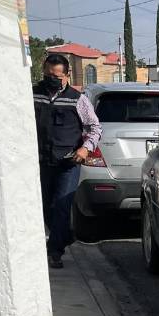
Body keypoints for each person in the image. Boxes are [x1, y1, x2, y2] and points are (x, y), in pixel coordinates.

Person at [34, 53, 101, 269]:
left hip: (68, 162)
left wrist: (85, 148)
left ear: (66, 75)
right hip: (41, 162)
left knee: (61, 205)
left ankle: (55, 252)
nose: (51, 79)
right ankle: (64, 235)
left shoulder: (77, 99)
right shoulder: (33, 95)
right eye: (48, 75)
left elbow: (95, 127)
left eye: (56, 76)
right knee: (45, 206)